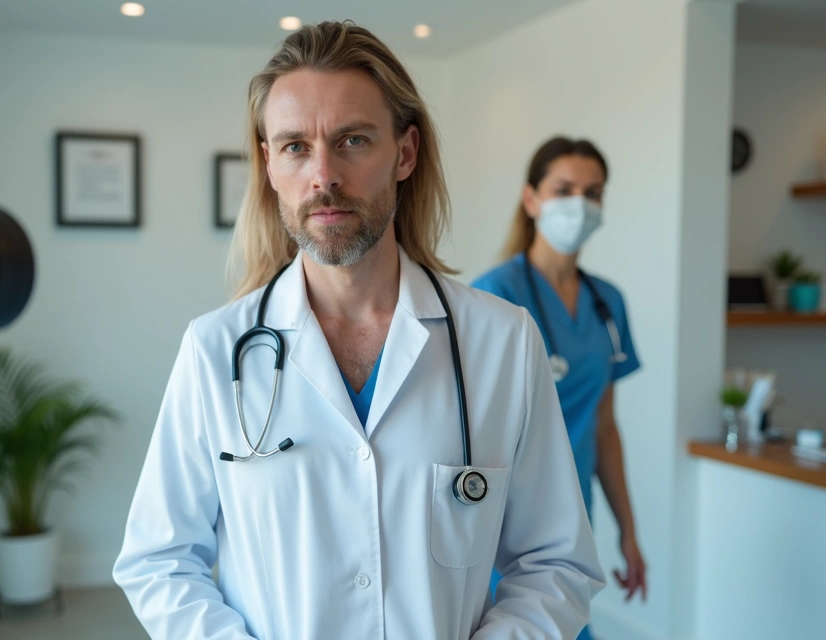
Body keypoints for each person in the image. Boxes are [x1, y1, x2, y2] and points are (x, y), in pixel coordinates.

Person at [114, 22, 603, 639]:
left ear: (404, 153)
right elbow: (158, 561)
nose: (324, 175)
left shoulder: (502, 341)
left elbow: (555, 561)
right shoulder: (215, 351)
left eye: (352, 140)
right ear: (268, 164)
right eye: (295, 146)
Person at [471, 137, 647, 639]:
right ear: (531, 199)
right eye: (564, 189)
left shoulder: (606, 302)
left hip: (575, 513)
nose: (581, 205)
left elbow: (605, 426)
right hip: (504, 519)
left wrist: (629, 534)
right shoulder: (493, 296)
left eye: (593, 192)